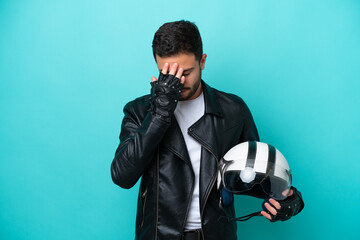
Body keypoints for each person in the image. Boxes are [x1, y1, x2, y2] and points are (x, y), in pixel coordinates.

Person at [111, 20, 304, 240]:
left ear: (202, 61)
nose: (177, 81)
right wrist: (159, 113)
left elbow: (251, 173)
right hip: (159, 235)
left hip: (215, 234)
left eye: (185, 72)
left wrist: (288, 199)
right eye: (168, 74)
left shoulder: (233, 110)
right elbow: (122, 176)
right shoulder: (139, 110)